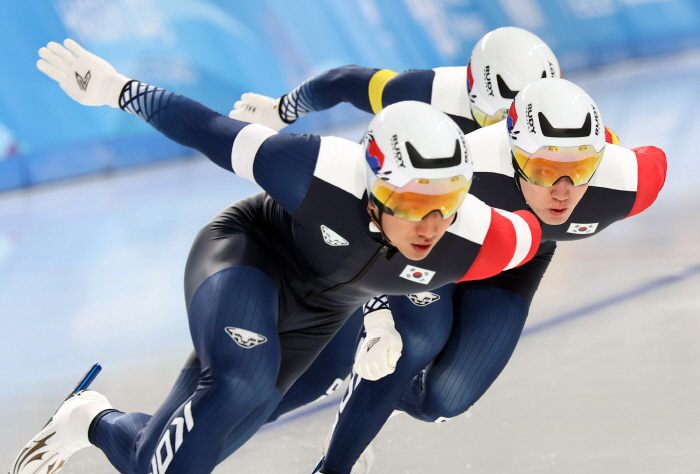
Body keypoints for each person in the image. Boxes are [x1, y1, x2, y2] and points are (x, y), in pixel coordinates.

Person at [11, 39, 542, 474]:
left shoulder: (475, 238)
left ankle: (92, 420)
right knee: (241, 380)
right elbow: (208, 130)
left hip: (326, 311)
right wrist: (115, 88)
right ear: (373, 186)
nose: (429, 226)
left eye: (445, 206)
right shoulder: (317, 170)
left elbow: (545, 222)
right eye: (409, 202)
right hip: (249, 257)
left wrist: (380, 318)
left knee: (169, 459)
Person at [228, 29, 666, 474]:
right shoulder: (433, 101)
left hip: (515, 246)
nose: (503, 130)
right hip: (428, 227)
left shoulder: (593, 155)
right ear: (470, 95)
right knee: (404, 344)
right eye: (495, 118)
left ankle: (364, 398)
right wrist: (281, 110)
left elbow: (633, 166)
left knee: (445, 398)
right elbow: (343, 85)